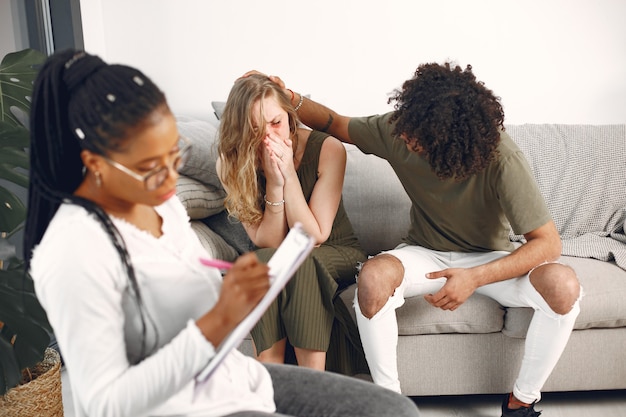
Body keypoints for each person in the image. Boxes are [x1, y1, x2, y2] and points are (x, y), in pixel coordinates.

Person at [24, 49, 420, 417]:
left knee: (394, 411)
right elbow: (106, 404)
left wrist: (230, 302)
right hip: (187, 406)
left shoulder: (161, 206)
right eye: (151, 164)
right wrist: (217, 320)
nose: (170, 178)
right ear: (95, 163)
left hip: (233, 380)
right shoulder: (72, 249)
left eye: (172, 155)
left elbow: (193, 307)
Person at [248, 63, 582, 417]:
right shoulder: (401, 130)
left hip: (490, 257)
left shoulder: (501, 157)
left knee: (563, 285)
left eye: (418, 138)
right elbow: (336, 124)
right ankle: (389, 405)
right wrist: (291, 98)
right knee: (374, 279)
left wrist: (475, 278)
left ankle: (521, 403)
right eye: (406, 128)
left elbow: (547, 244)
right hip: (424, 253)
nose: (406, 139)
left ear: (451, 142)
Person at [215, 74, 368, 374]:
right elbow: (268, 242)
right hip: (279, 257)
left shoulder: (328, 149)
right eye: (255, 130)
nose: (268, 137)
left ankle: (313, 383)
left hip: (335, 250)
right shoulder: (229, 162)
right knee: (261, 262)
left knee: (299, 260)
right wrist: (273, 184)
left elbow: (314, 236)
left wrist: (288, 173)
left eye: (276, 123)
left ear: (289, 116)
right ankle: (270, 381)